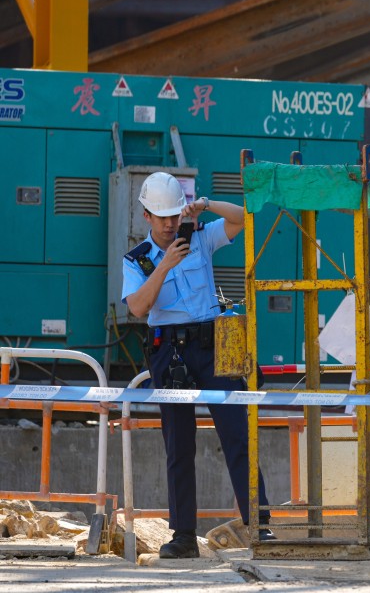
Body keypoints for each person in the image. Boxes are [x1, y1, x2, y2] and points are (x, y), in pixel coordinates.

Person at [121, 171, 272, 558]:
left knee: (238, 435)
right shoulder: (137, 260)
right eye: (162, 216)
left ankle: (259, 526)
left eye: (174, 214)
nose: (171, 223)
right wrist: (164, 266)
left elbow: (244, 217)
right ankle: (184, 536)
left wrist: (204, 204)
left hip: (212, 346)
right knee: (179, 445)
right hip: (169, 352)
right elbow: (138, 307)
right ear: (146, 217)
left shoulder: (199, 237)